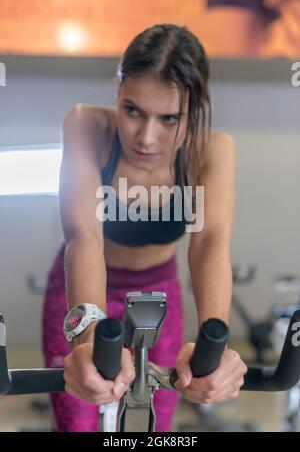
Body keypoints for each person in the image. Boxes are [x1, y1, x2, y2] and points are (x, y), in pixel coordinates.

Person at [42, 23, 247, 433]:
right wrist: (88, 336)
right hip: (81, 286)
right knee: (78, 418)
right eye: (133, 110)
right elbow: (84, 237)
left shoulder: (212, 151)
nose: (146, 138)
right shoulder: (86, 127)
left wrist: (214, 346)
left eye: (169, 118)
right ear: (117, 89)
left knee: (151, 426)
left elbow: (209, 244)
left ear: (195, 108)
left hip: (159, 295)